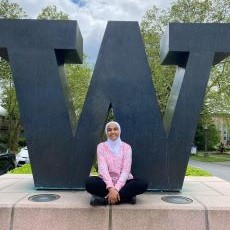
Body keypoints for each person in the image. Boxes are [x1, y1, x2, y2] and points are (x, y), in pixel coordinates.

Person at [85, 121, 148, 206]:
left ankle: (103, 200)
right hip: (105, 183)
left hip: (124, 183)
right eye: (109, 130)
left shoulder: (126, 147)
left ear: (119, 131)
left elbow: (126, 170)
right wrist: (111, 188)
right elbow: (102, 169)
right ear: (106, 132)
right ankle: (127, 198)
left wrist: (116, 189)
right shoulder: (101, 147)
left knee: (143, 183)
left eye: (115, 129)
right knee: (89, 182)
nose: (112, 132)